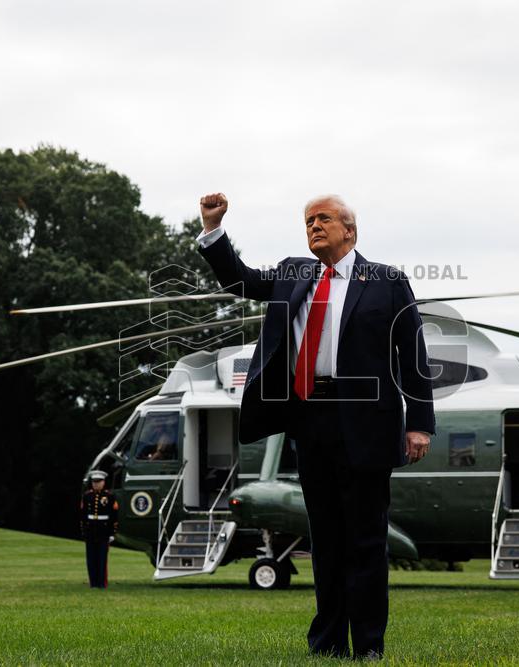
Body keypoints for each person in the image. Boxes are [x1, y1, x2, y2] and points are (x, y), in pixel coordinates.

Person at [195, 193, 435, 659]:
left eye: (324, 219)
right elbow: (240, 281)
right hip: (311, 421)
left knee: (365, 540)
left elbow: (414, 356)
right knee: (324, 540)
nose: (314, 227)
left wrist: (419, 424)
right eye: (308, 221)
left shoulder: (387, 281)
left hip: (367, 422)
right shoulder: (293, 272)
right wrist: (213, 229)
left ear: (350, 230)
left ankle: (368, 646)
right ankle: (327, 643)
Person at [80, 470, 119, 588]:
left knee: (102, 558)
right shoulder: (87, 496)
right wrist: (84, 530)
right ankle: (93, 583)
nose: (96, 484)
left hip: (104, 530)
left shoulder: (109, 496)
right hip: (91, 530)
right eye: (94, 482)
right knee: (91, 558)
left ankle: (102, 583)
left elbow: (114, 515)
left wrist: (112, 532)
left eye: (98, 482)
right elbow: (83, 514)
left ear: (103, 482)